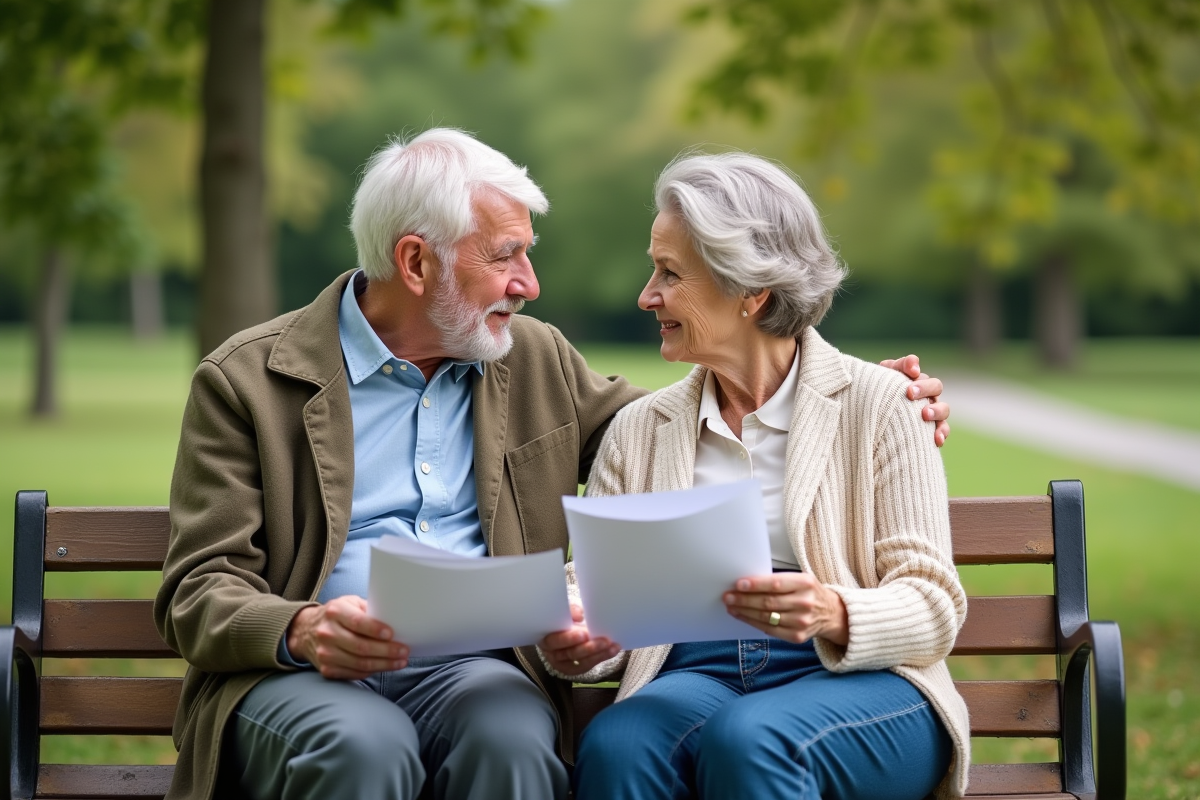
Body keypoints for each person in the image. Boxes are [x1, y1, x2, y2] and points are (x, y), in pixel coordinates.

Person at [154, 128, 953, 800]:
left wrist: (868, 393)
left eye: (527, 256)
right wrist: (301, 628)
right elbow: (197, 591)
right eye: (507, 257)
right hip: (311, 675)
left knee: (512, 737)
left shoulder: (530, 360)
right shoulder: (248, 382)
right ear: (417, 262)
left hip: (470, 670)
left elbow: (720, 414)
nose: (529, 285)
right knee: (366, 748)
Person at [540, 151, 970, 800]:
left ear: (751, 292)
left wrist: (832, 609)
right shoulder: (640, 428)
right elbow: (597, 584)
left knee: (752, 738)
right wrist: (582, 634)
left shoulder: (884, 403)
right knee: (619, 742)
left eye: (669, 273)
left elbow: (934, 606)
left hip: (859, 677)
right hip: (696, 669)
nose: (646, 295)